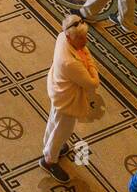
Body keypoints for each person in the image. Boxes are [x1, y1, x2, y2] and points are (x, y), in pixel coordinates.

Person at [41, 13, 100, 182]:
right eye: (81, 38)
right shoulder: (70, 63)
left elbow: (84, 51)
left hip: (59, 90)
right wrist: (91, 64)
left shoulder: (62, 37)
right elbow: (93, 82)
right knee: (63, 129)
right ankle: (49, 160)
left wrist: (86, 57)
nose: (85, 42)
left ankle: (50, 147)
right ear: (69, 36)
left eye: (85, 36)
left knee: (54, 121)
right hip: (68, 99)